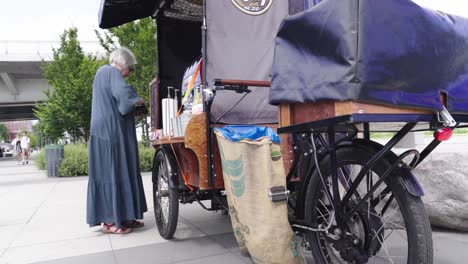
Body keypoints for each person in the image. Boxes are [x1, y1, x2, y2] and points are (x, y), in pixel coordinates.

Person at [86, 47, 147, 234]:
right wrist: (139, 100)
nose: (129, 73)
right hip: (110, 133)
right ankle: (111, 221)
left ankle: (123, 216)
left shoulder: (101, 73)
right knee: (114, 172)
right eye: (130, 68)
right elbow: (123, 96)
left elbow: (117, 100)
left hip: (103, 132)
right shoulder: (111, 71)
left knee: (113, 173)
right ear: (123, 64)